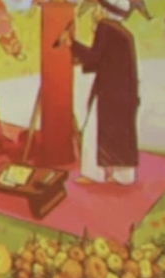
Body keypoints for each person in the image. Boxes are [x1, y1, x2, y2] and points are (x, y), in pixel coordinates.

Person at [62, 0, 141, 185]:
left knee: (93, 130)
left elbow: (94, 58)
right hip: (124, 93)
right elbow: (105, 59)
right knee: (121, 133)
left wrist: (71, 44)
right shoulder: (123, 33)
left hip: (109, 92)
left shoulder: (105, 27)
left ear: (105, 10)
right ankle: (124, 176)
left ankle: (93, 173)